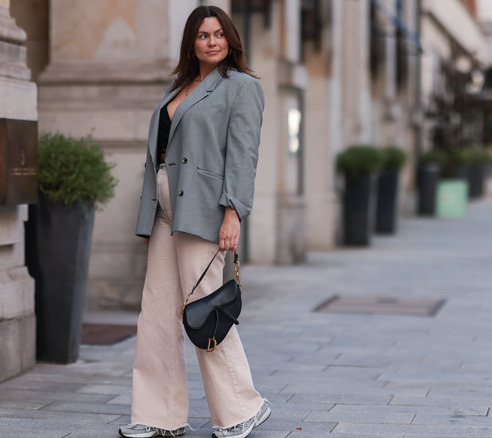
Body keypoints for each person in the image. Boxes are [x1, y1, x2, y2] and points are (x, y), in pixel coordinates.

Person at [119, 6, 269, 438]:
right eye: (203, 35)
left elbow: (243, 156)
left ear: (231, 39)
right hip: (166, 210)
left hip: (204, 210)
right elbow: (158, 158)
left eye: (219, 34)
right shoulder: (180, 87)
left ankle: (243, 408)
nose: (212, 41)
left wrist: (233, 212)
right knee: (156, 314)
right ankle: (158, 415)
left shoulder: (241, 87)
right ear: (191, 42)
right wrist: (149, 219)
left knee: (204, 311)